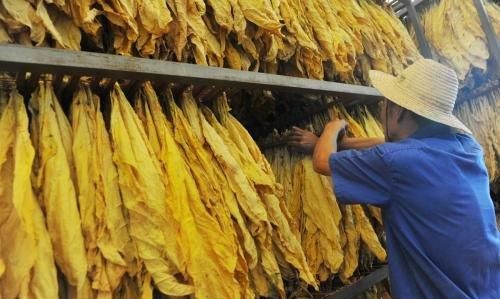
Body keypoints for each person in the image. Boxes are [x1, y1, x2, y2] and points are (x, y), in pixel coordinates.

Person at [289, 59, 500, 299]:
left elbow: (322, 162)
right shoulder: (467, 147)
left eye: (385, 103)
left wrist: (332, 128)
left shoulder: (396, 163)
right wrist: (344, 144)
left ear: (398, 110)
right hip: (487, 287)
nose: (381, 110)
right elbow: (392, 146)